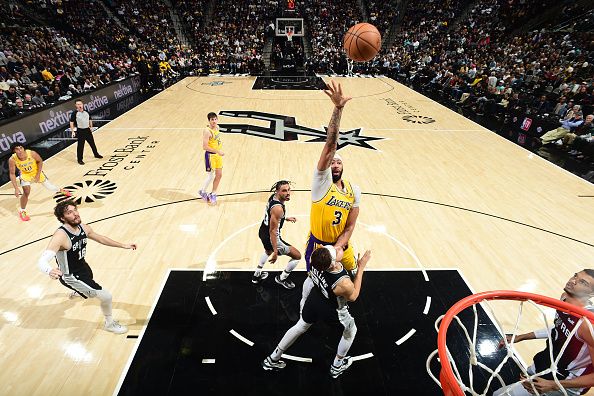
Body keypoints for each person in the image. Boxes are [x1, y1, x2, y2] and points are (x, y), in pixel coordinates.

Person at [262, 246, 371, 378]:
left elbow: (309, 280)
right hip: (331, 308)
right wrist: (361, 268)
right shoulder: (343, 283)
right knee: (351, 330)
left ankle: (273, 358)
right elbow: (353, 296)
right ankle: (337, 366)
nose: (338, 248)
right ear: (333, 263)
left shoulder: (316, 258)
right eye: (335, 252)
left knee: (301, 325)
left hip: (315, 298)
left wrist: (304, 300)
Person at [300, 80, 362, 311]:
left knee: (352, 273)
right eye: (333, 161)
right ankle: (305, 308)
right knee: (314, 280)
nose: (335, 163)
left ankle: (343, 306)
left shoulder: (354, 190)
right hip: (317, 245)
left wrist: (339, 248)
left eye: (338, 161)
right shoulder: (321, 183)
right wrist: (338, 109)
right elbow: (330, 145)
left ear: (343, 166)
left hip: (341, 245)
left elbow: (350, 226)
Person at [36, 200, 137, 334]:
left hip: (83, 267)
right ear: (62, 218)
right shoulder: (60, 236)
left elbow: (100, 238)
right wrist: (50, 270)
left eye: (75, 210)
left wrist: (123, 245)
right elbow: (42, 261)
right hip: (71, 276)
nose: (75, 214)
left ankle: (79, 291)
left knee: (90, 279)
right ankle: (109, 323)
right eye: (69, 213)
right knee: (106, 297)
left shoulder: (83, 227)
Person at [494, 270, 594, 396]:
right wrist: (521, 337)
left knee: (498, 394)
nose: (573, 281)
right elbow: (559, 327)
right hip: (548, 361)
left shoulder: (588, 325)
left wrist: (553, 385)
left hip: (566, 380)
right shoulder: (564, 298)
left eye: (583, 282)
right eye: (575, 276)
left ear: (592, 293)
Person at [252, 180, 301, 289]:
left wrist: (285, 218)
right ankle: (282, 278)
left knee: (267, 251)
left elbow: (272, 216)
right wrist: (275, 251)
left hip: (262, 231)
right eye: (284, 191)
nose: (288, 193)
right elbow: (273, 231)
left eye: (289, 190)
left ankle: (256, 275)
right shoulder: (278, 209)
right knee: (297, 256)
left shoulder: (273, 197)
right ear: (277, 191)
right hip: (271, 236)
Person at [8, 143, 71, 221]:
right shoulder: (12, 159)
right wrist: (16, 188)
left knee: (50, 187)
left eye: (21, 148)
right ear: (14, 151)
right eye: (17, 149)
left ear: (23, 148)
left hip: (36, 171)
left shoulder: (31, 153)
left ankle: (61, 190)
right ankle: (22, 211)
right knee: (26, 192)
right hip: (25, 174)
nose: (20, 150)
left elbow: (40, 161)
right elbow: (12, 173)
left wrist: (38, 175)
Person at [198, 112, 223, 205]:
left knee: (219, 175)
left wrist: (218, 151)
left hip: (217, 155)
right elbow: (204, 146)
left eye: (215, 119)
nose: (214, 121)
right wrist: (217, 151)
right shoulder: (207, 131)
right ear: (209, 121)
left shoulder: (218, 127)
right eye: (212, 119)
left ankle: (213, 193)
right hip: (210, 155)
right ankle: (202, 191)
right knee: (211, 176)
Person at [69, 99, 103, 165]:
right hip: (80, 131)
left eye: (80, 104)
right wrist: (72, 131)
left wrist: (91, 127)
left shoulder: (86, 111)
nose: (79, 105)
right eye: (78, 104)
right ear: (76, 105)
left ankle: (96, 154)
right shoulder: (74, 113)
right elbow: (71, 122)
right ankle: (80, 159)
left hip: (87, 130)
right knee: (80, 146)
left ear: (82, 104)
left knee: (92, 143)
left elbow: (90, 119)